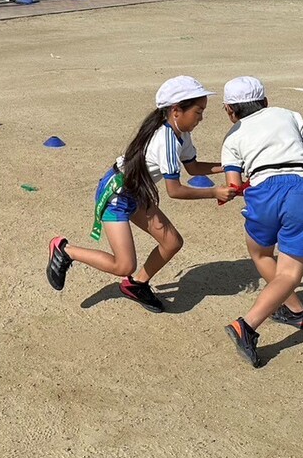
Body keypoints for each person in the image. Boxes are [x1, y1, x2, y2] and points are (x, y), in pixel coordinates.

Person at [46, 76, 235, 312]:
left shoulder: (180, 132)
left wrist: (229, 166)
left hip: (138, 191)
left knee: (172, 242)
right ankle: (65, 250)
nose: (201, 118)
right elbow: (174, 190)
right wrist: (214, 192)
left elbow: (193, 167)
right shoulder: (165, 139)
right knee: (124, 265)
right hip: (116, 195)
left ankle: (136, 285)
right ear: (176, 110)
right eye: (198, 111)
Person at [219, 76, 303, 368]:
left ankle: (293, 311)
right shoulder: (287, 115)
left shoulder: (232, 137)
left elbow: (233, 184)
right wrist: (297, 161)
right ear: (265, 101)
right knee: (290, 273)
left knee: (260, 252)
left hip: (262, 192)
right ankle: (251, 323)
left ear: (230, 110)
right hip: (300, 189)